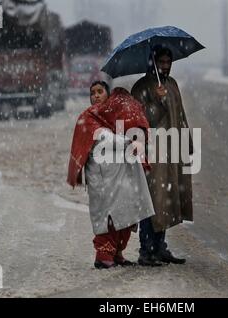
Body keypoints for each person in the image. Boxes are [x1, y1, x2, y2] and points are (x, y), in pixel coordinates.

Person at [67, 81, 155, 269]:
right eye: (93, 93)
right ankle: (103, 256)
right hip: (101, 178)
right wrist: (129, 142)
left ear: (108, 95)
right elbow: (104, 139)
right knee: (107, 216)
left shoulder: (114, 116)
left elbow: (132, 124)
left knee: (124, 212)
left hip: (119, 177)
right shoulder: (89, 117)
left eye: (100, 92)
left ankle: (117, 253)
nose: (96, 96)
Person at [131, 46, 193, 266]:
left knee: (166, 199)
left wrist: (187, 145)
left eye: (168, 62)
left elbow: (181, 115)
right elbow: (139, 121)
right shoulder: (141, 87)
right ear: (153, 62)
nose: (165, 66)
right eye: (161, 62)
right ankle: (146, 250)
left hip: (172, 151)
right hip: (151, 154)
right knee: (152, 200)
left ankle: (160, 247)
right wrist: (156, 101)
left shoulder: (172, 84)